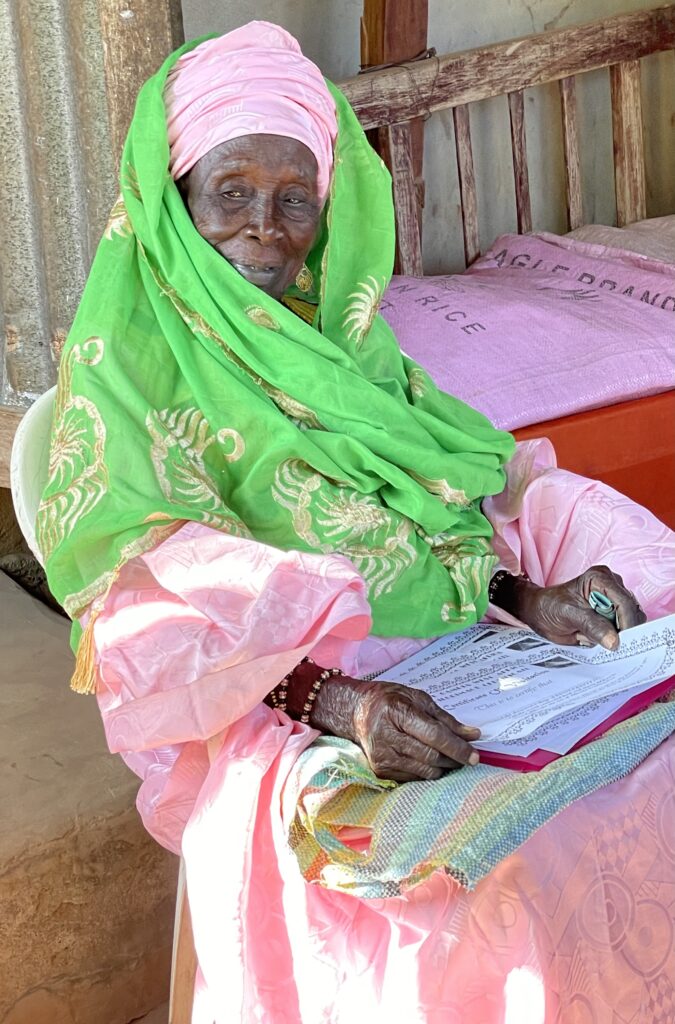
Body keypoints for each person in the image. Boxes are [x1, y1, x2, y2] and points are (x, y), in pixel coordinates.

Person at [37, 22, 675, 1022]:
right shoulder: (125, 379)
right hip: (275, 717)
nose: (265, 228)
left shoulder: (349, 353)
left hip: (459, 675)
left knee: (639, 783)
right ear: (175, 203)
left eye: (295, 200)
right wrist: (343, 705)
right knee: (501, 888)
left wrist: (523, 595)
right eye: (230, 194)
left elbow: (435, 506)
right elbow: (147, 627)